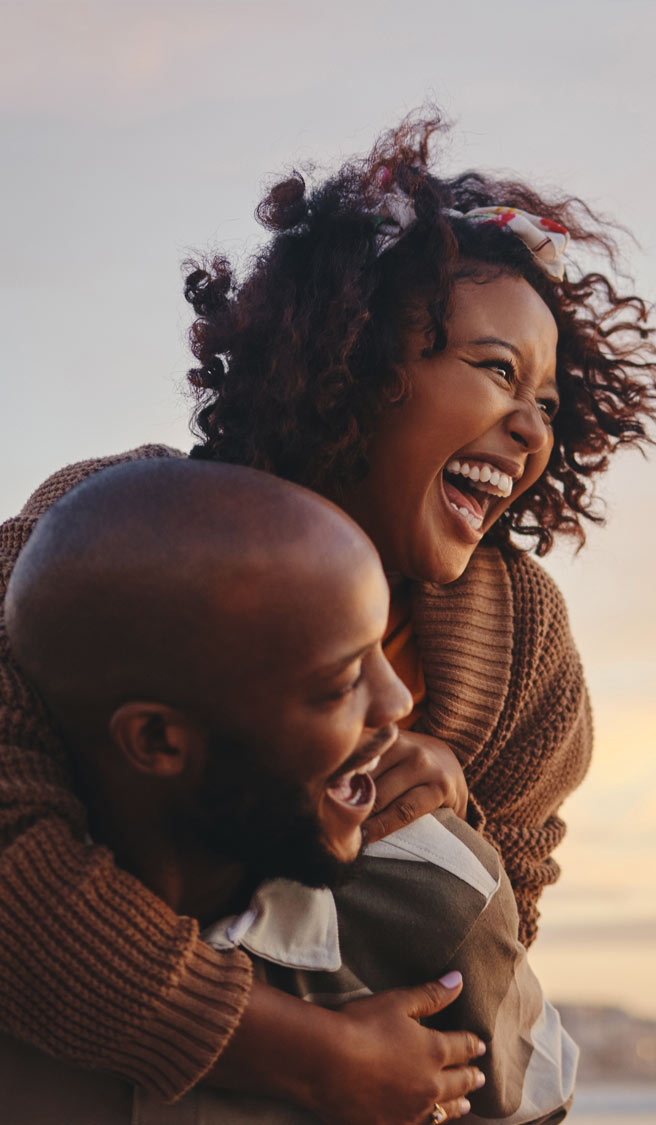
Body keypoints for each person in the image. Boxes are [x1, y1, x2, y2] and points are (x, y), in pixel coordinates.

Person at [183, 110, 656, 947]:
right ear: (358, 358)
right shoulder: (124, 532)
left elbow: (509, 940)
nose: (533, 430)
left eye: (547, 406)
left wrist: (459, 813)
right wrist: (291, 1048)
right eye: (498, 370)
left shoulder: (524, 645)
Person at [3, 457, 576, 1125]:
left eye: (382, 653)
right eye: (339, 684)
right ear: (158, 739)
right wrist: (319, 1058)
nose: (396, 705)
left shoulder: (434, 891)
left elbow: (525, 1095)